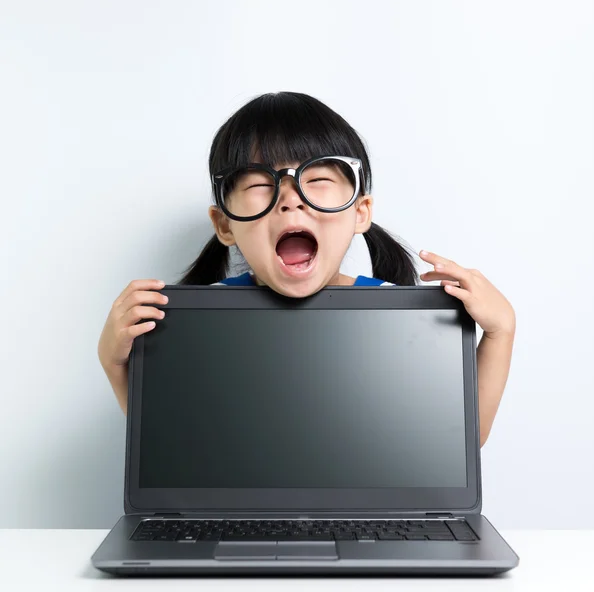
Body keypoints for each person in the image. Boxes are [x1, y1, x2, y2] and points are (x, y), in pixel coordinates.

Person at [98, 91, 516, 447]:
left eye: (316, 179)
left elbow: (459, 441)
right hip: (240, 522)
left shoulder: (400, 315)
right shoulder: (196, 322)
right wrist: (114, 362)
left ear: (360, 211)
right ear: (225, 223)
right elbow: (171, 443)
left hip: (366, 523)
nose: (291, 198)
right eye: (260, 184)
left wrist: (500, 331)